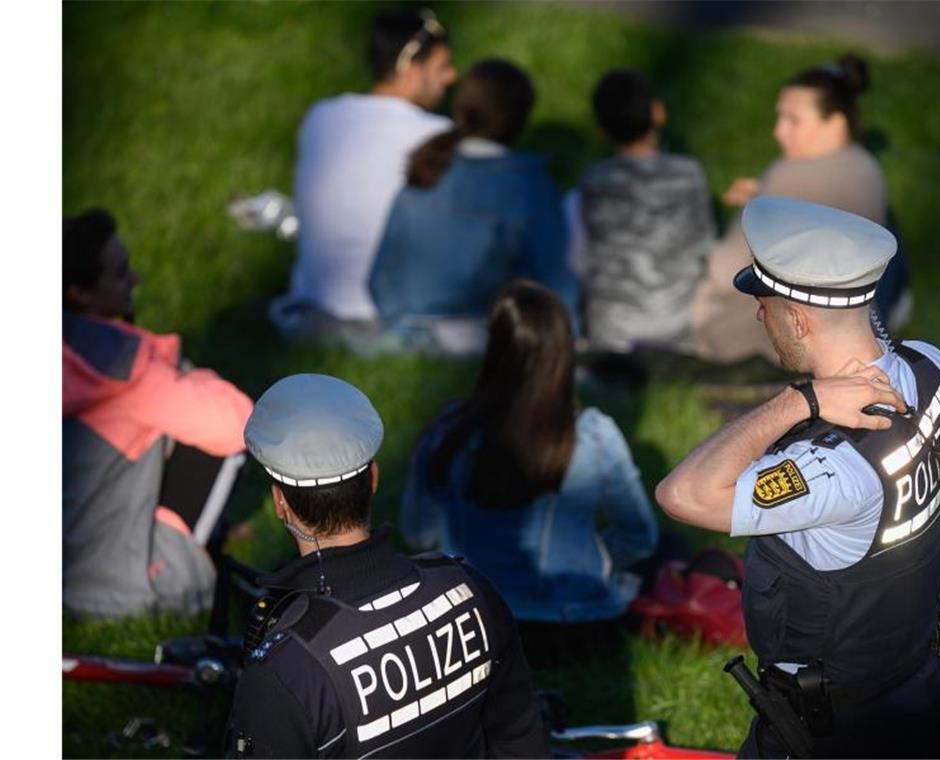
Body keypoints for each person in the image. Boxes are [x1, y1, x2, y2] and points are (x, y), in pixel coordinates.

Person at [656, 198, 940, 758]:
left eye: (763, 303)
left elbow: (680, 494)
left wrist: (798, 401)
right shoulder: (932, 368)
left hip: (828, 734)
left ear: (800, 318)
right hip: (918, 694)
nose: (759, 316)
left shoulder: (825, 467)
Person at [225, 373, 548, 758]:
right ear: (373, 478)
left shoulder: (284, 674)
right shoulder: (470, 591)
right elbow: (521, 740)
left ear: (280, 503)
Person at [400, 281, 659, 666]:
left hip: (471, 628)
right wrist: (596, 558)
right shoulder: (593, 434)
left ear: (494, 349)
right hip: (573, 629)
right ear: (564, 353)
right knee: (672, 552)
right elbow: (639, 539)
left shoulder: (448, 432)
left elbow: (418, 534)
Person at [63, 208, 253, 618]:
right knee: (218, 435)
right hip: (120, 592)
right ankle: (179, 568)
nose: (135, 279)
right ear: (79, 292)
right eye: (119, 273)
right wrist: (184, 375)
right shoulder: (128, 374)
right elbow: (241, 425)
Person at [692, 53, 912, 364]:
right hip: (846, 330)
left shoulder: (788, 174)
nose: (778, 132)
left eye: (793, 120)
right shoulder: (868, 168)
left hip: (775, 341)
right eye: (779, 119)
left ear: (835, 123)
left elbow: (724, 270)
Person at [270, 8, 457, 353]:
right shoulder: (439, 136)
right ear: (411, 69)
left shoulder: (320, 117)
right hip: (393, 319)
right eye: (441, 68)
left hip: (311, 311)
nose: (451, 77)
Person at [368, 59, 578, 353]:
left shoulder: (427, 170)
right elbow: (554, 281)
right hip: (487, 338)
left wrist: (401, 329)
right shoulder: (528, 187)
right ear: (520, 121)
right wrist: (571, 338)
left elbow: (382, 275)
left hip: (407, 333)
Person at [572, 68, 715, 352]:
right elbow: (705, 247)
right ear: (658, 112)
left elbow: (578, 259)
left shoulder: (593, 183)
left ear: (601, 130)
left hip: (611, 337)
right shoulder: (690, 176)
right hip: (678, 332)